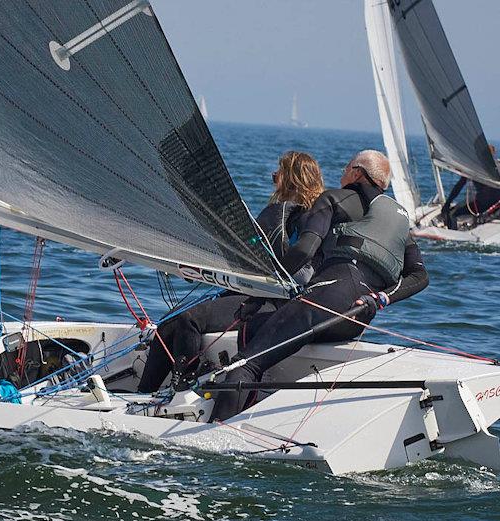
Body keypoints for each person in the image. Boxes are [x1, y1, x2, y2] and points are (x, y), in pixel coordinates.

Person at [210, 150, 429, 422]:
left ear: (357, 173)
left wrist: (262, 290)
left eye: (346, 167)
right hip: (356, 319)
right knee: (258, 329)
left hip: (328, 297)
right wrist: (381, 298)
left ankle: (214, 439)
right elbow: (420, 276)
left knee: (244, 366)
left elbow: (304, 250)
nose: (341, 174)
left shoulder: (333, 198)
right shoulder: (397, 221)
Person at [136, 151, 326, 393]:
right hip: (258, 294)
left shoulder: (297, 217)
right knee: (169, 323)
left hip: (272, 303)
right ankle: (143, 394)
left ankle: (183, 389)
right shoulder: (301, 214)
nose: (273, 177)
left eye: (278, 173)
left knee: (189, 319)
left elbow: (287, 268)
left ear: (291, 179)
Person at [441, 145, 500, 230]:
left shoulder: (475, 167)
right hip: (499, 205)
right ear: (493, 154)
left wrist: (447, 204)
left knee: (452, 214)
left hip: (482, 205)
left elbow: (459, 187)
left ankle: (453, 237)